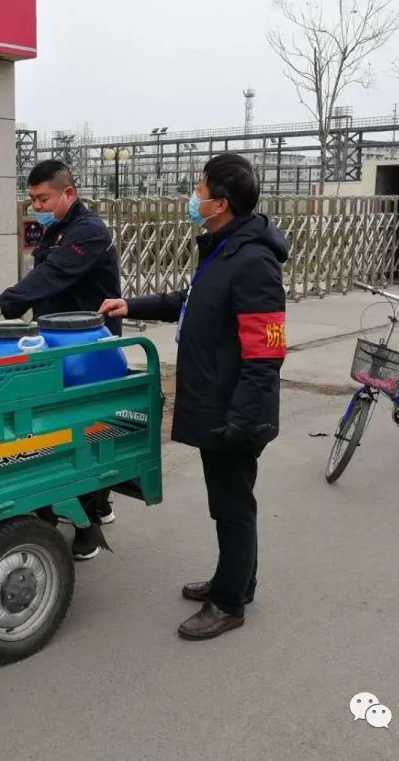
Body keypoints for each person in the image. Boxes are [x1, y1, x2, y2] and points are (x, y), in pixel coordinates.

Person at [99, 153, 288, 641]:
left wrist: (241, 420)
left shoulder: (253, 262)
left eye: (199, 189)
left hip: (234, 410)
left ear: (220, 203)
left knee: (232, 505)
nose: (193, 196)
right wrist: (131, 304)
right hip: (217, 401)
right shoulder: (223, 249)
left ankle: (228, 604)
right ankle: (235, 581)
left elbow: (267, 352)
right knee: (227, 502)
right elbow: (189, 303)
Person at [0, 159, 121, 561]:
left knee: (84, 427)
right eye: (33, 199)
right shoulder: (55, 229)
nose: (37, 206)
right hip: (57, 341)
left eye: (43, 198)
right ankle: (97, 503)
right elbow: (41, 282)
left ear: (68, 193)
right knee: (64, 425)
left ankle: (89, 521)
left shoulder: (89, 231)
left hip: (88, 347)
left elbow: (52, 275)